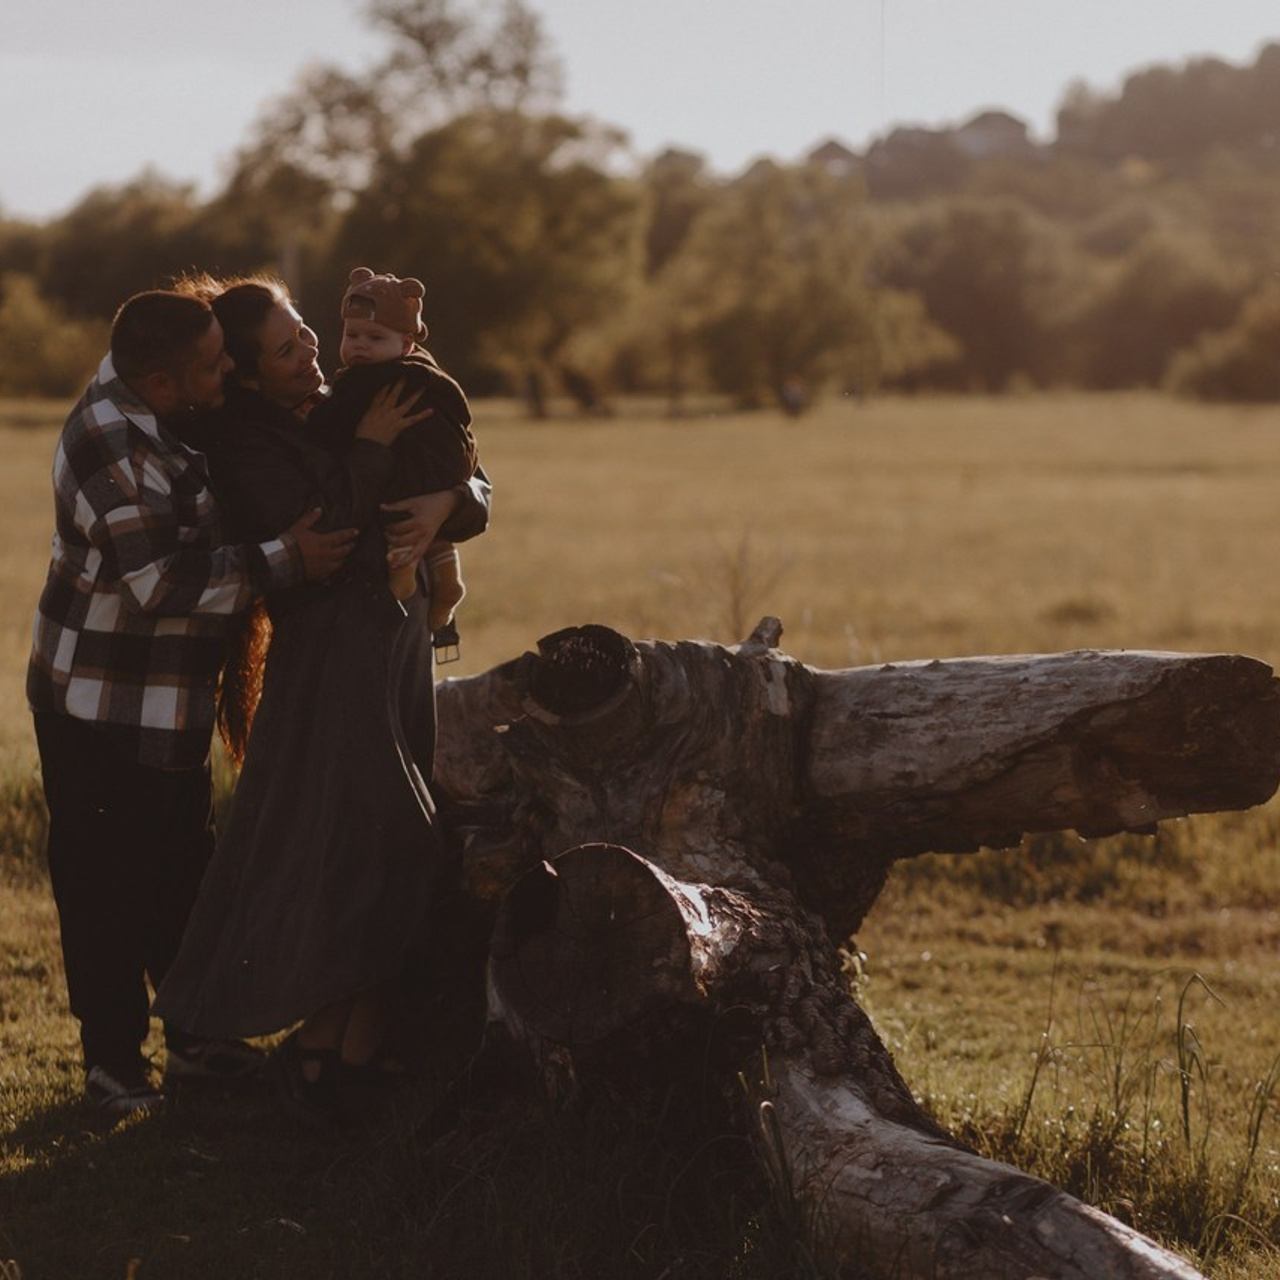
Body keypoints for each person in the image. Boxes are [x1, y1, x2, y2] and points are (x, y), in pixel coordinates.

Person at [152, 274, 491, 1125]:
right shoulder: (247, 443)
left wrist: (453, 498)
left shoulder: (347, 395)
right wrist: (375, 448)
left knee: (374, 841)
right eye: (285, 348)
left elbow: (468, 463)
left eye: (305, 331)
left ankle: (343, 1050)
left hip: (396, 638)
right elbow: (327, 540)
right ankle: (317, 1043)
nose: (310, 351)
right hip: (337, 652)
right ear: (248, 374)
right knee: (380, 839)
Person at [26, 290, 365, 1122]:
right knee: (103, 884)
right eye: (215, 366)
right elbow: (157, 585)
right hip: (98, 700)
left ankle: (199, 1044)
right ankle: (113, 1068)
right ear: (161, 380)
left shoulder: (180, 410)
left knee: (184, 871)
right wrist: (288, 561)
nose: (229, 374)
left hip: (169, 699)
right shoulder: (109, 436)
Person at [312, 266, 479, 659]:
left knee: (398, 509)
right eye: (352, 336)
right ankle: (446, 571)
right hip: (447, 468)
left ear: (405, 344)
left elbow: (331, 423)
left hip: (412, 472)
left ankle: (401, 572)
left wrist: (316, 422)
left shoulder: (365, 380)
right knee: (429, 521)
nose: (360, 347)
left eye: (374, 337)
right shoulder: (427, 371)